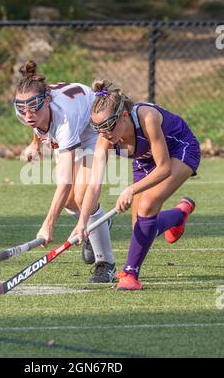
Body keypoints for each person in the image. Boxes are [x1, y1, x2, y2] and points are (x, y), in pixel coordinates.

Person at [70, 79, 201, 291]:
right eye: (98, 129)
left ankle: (130, 275)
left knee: (147, 205)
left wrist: (131, 189)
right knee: (141, 229)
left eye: (108, 126)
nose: (104, 134)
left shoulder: (146, 118)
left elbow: (164, 167)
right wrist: (82, 222)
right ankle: (179, 215)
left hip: (180, 149)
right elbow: (94, 186)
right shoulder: (106, 139)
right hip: (145, 161)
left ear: (123, 116)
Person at [13, 61, 116, 283]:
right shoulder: (29, 110)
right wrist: (35, 144)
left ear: (46, 100)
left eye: (33, 106)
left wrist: (48, 224)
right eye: (22, 108)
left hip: (92, 129)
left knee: (81, 194)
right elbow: (37, 123)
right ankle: (95, 224)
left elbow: (65, 181)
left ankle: (105, 264)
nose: (28, 114)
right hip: (67, 132)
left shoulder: (65, 120)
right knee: (70, 203)